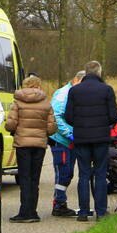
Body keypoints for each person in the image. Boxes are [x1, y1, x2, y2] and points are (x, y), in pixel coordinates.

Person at [63, 60, 117, 221]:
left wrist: (80, 125)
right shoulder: (106, 90)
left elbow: (68, 116)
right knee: (100, 174)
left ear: (86, 72)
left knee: (84, 174)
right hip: (101, 138)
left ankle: (83, 212)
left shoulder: (75, 91)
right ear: (99, 72)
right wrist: (103, 124)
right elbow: (113, 116)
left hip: (81, 138)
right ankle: (101, 211)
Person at [4, 75, 57, 223]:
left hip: (23, 145)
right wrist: (43, 132)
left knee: (25, 178)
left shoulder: (18, 103)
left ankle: (24, 211)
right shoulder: (46, 104)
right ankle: (33, 211)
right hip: (39, 145)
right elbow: (52, 127)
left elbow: (10, 125)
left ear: (25, 86)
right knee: (34, 179)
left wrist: (17, 129)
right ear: (38, 87)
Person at [49, 70, 85, 217]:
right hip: (61, 140)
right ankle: (59, 204)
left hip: (72, 140)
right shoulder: (63, 94)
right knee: (63, 172)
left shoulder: (75, 92)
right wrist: (70, 134)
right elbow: (56, 116)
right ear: (77, 80)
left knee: (68, 173)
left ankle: (60, 202)